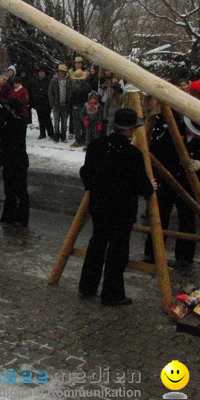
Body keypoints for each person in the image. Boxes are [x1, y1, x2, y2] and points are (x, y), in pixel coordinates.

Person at [77, 108, 153, 305]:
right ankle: (112, 294)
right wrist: (150, 188)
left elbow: (86, 172)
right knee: (117, 252)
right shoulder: (132, 154)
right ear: (129, 130)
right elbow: (141, 184)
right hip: (121, 210)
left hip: (100, 206)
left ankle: (87, 286)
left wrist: (95, 189)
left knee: (97, 244)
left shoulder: (97, 146)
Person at [143, 112, 196, 267]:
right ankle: (152, 252)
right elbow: (155, 150)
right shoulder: (167, 132)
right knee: (159, 215)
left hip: (187, 182)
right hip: (165, 178)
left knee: (187, 218)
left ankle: (184, 256)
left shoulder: (199, 136)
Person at [0, 97, 30, 227]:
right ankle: (8, 215)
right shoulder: (8, 121)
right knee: (9, 189)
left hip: (18, 160)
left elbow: (5, 115)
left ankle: (22, 218)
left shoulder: (20, 121)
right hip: (9, 159)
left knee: (21, 190)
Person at [48, 64, 70, 142]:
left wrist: (69, 104)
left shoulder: (68, 80)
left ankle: (63, 135)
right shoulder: (53, 80)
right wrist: (52, 104)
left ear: (65, 72)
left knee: (64, 122)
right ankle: (56, 135)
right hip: (56, 105)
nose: (61, 73)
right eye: (60, 71)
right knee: (56, 122)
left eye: (63, 71)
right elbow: (50, 93)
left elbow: (70, 92)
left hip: (65, 105)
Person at [31, 66, 54, 140]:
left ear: (45, 73)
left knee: (47, 118)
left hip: (46, 102)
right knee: (40, 118)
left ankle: (51, 133)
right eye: (40, 72)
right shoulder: (35, 81)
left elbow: (49, 91)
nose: (41, 73)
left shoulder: (48, 81)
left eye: (42, 72)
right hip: (38, 102)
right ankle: (42, 133)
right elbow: (33, 90)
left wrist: (43, 95)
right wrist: (36, 97)